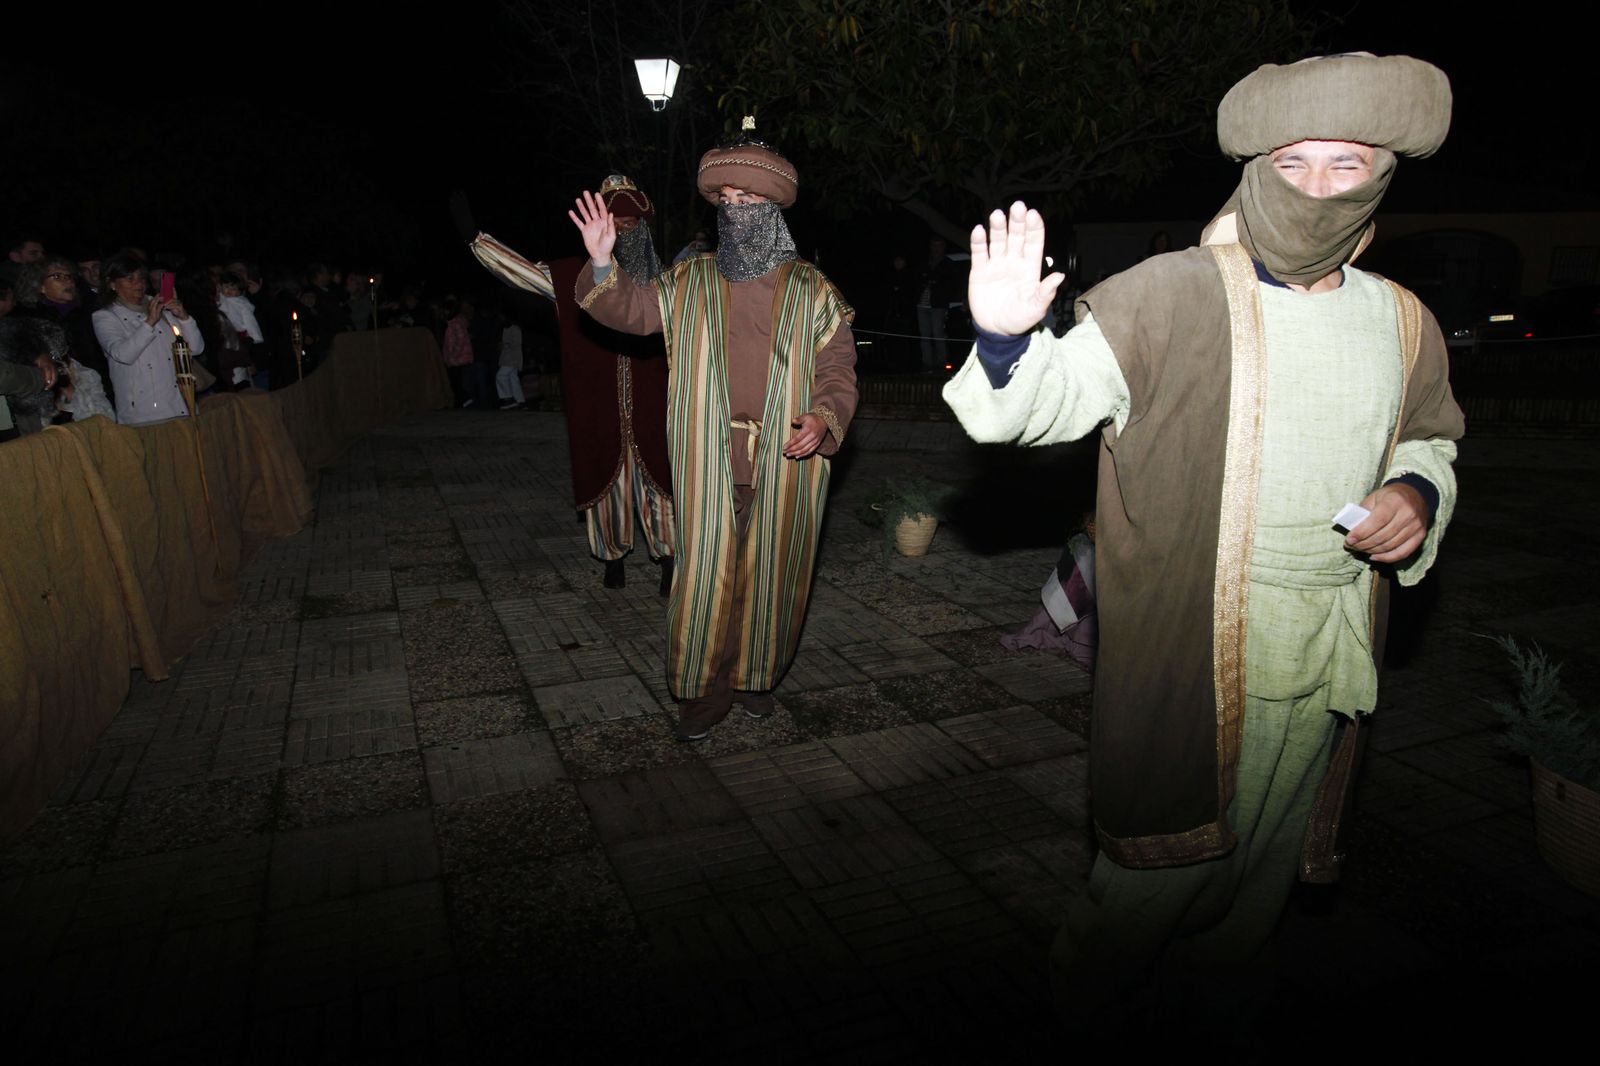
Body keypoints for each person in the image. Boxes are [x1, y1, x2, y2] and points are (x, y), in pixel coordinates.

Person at [942, 53, 1463, 1026]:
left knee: (1261, 873)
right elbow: (1036, 407)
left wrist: (1415, 493)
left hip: (1332, 641)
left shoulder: (1402, 320)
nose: (1313, 187)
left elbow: (1431, 436)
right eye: (1291, 161)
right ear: (1253, 166)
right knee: (1159, 872)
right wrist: (1007, 340)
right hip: (1198, 643)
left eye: (1343, 165)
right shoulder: (1172, 294)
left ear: (1382, 173)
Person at [568, 124, 859, 741]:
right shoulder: (687, 282)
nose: (734, 212)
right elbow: (631, 311)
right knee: (705, 583)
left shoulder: (814, 292)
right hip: (706, 461)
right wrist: (601, 262)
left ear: (774, 210)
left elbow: (838, 371)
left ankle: (755, 678)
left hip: (784, 466)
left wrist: (824, 417)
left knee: (770, 579)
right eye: (724, 201)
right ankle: (703, 695)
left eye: (747, 201)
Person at [457, 175, 676, 594]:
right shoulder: (574, 279)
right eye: (617, 224)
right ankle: (613, 557)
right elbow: (522, 273)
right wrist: (477, 240)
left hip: (654, 403)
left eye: (632, 225)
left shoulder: (666, 281)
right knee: (606, 481)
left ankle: (667, 558)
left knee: (659, 483)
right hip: (598, 402)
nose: (625, 232)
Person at [92, 253, 206, 425]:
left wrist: (183, 316)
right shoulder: (105, 316)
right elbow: (123, 355)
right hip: (145, 414)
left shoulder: (157, 304)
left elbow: (196, 348)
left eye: (141, 278)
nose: (138, 283)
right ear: (111, 283)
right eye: (130, 278)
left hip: (182, 403)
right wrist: (150, 321)